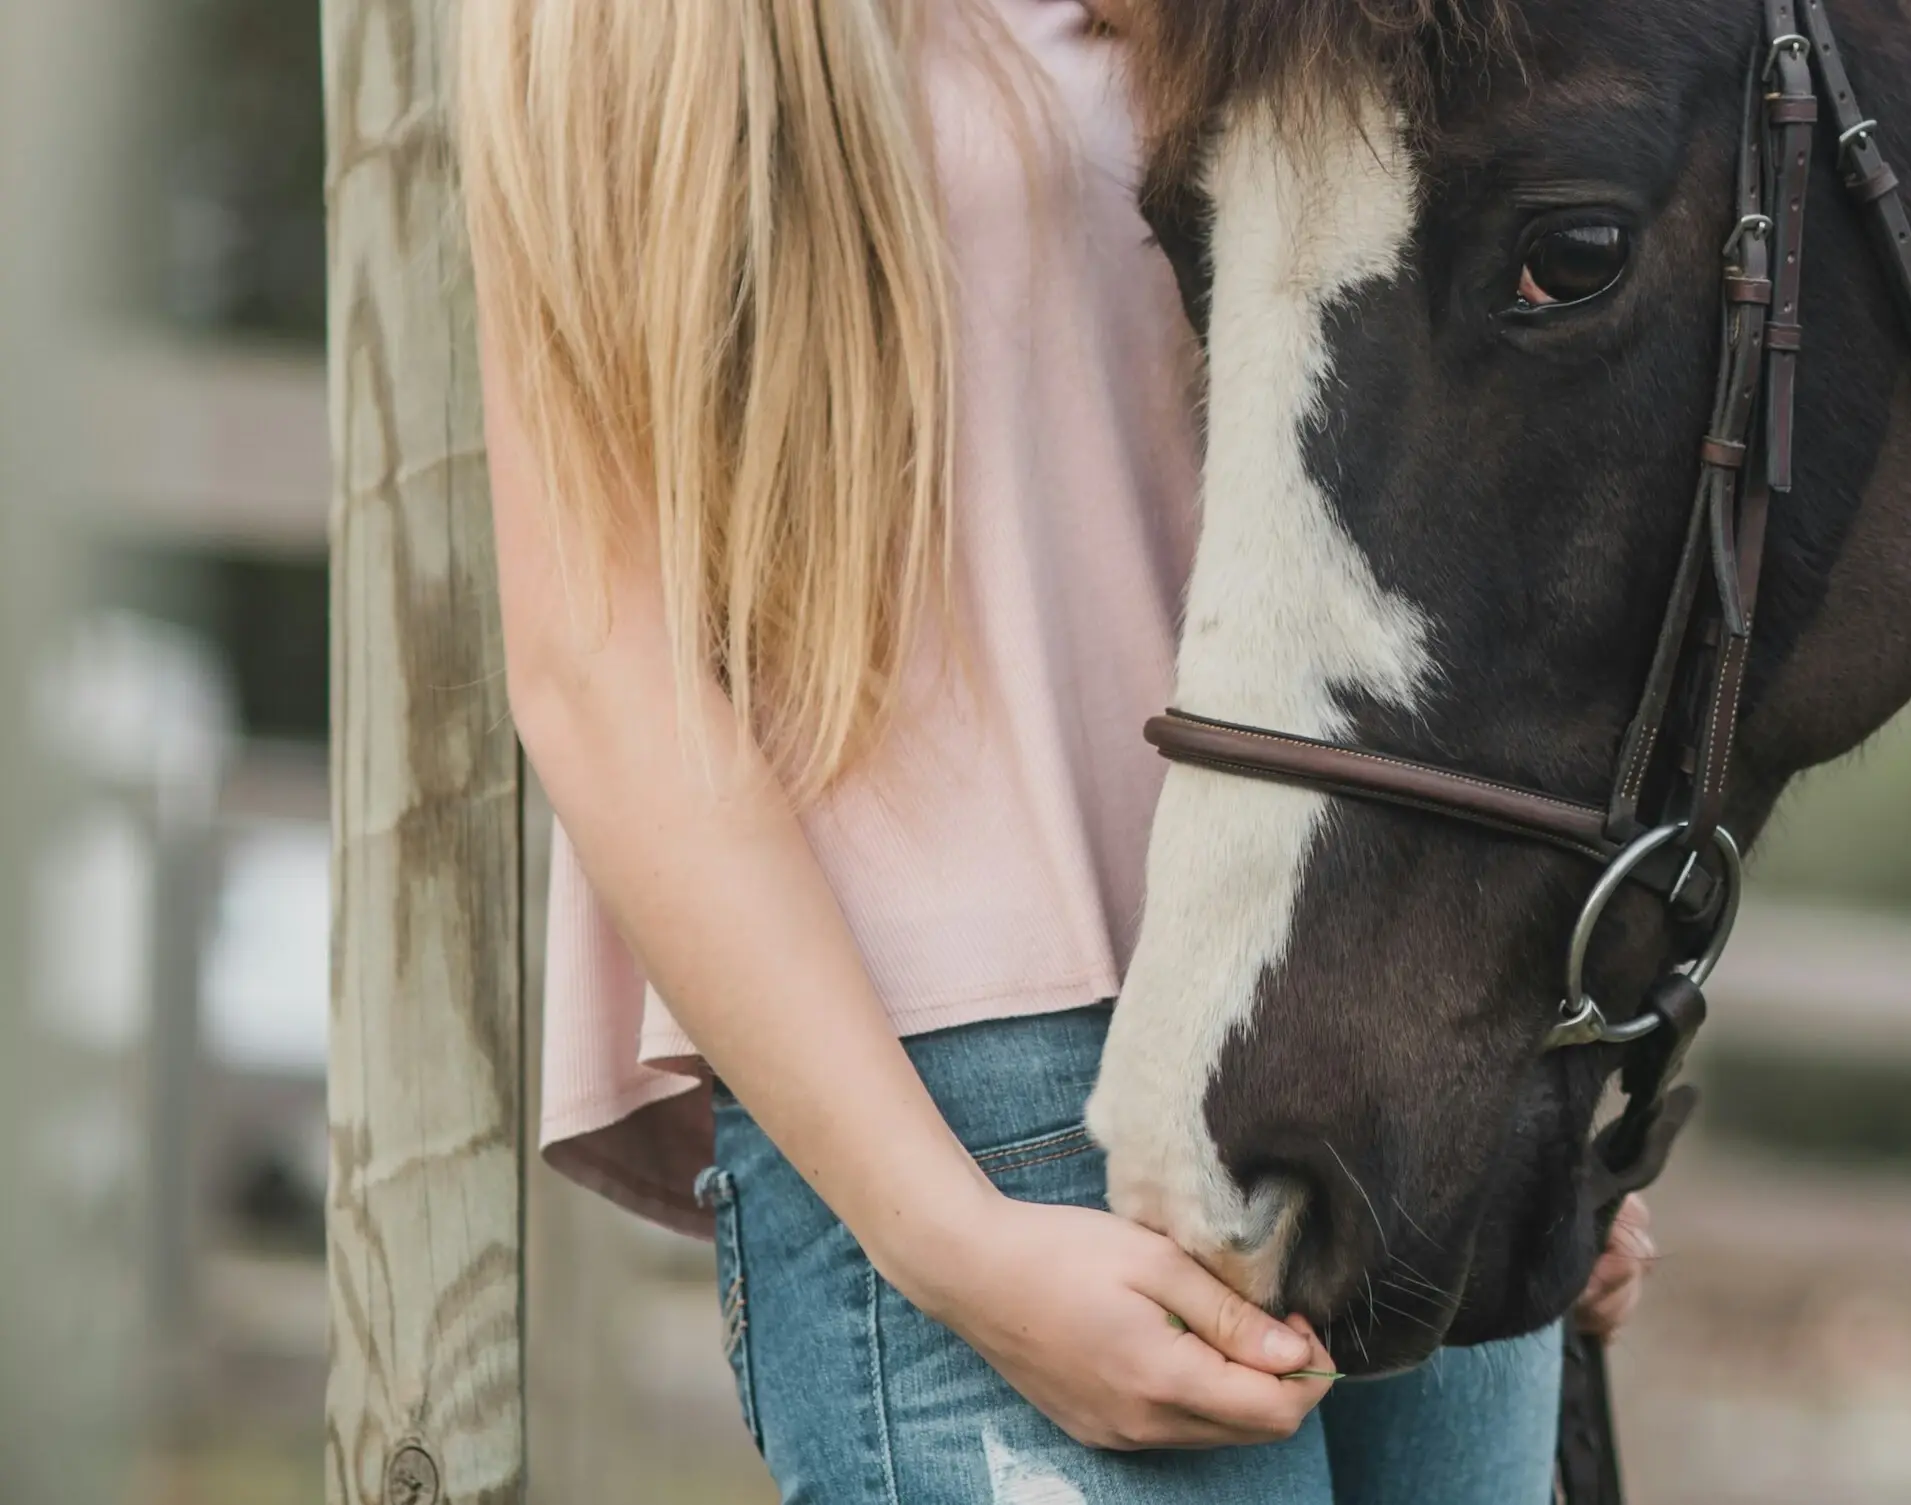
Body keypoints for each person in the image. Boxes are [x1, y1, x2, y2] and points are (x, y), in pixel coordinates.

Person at [455, 1, 1655, 1500]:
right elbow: (599, 666)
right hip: (980, 1090)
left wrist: (1531, 1082)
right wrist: (949, 1242)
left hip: (1388, 1023)